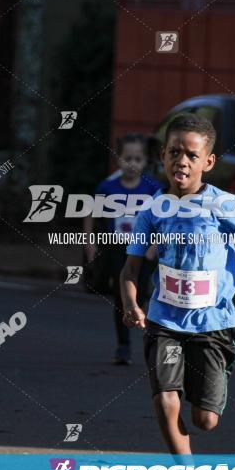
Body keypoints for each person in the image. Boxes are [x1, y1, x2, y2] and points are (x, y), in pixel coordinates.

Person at [120, 114, 235, 470]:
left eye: (192, 155)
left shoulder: (222, 205)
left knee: (206, 420)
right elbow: (131, 268)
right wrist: (131, 302)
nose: (182, 161)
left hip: (214, 325)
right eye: (174, 152)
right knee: (165, 398)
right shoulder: (153, 211)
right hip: (165, 322)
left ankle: (214, 387)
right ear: (162, 156)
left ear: (207, 162)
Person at [84, 134, 161, 365]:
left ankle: (155, 343)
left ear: (145, 160)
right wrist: (90, 243)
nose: (132, 163)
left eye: (137, 159)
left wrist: (155, 246)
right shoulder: (108, 187)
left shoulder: (153, 188)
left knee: (145, 295)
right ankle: (124, 346)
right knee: (121, 297)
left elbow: (165, 219)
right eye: (127, 158)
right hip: (117, 249)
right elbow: (90, 212)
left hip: (145, 252)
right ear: (118, 159)